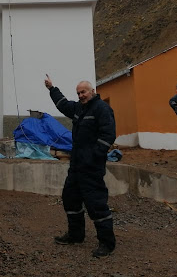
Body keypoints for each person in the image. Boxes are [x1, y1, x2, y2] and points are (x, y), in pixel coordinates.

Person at [44, 75, 116, 258]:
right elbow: (63, 104)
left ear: (92, 91)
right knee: (70, 198)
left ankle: (107, 243)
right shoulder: (78, 109)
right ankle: (76, 235)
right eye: (78, 93)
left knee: (96, 204)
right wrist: (52, 88)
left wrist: (94, 156)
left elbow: (108, 134)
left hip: (91, 167)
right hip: (76, 165)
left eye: (83, 92)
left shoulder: (102, 109)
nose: (81, 95)